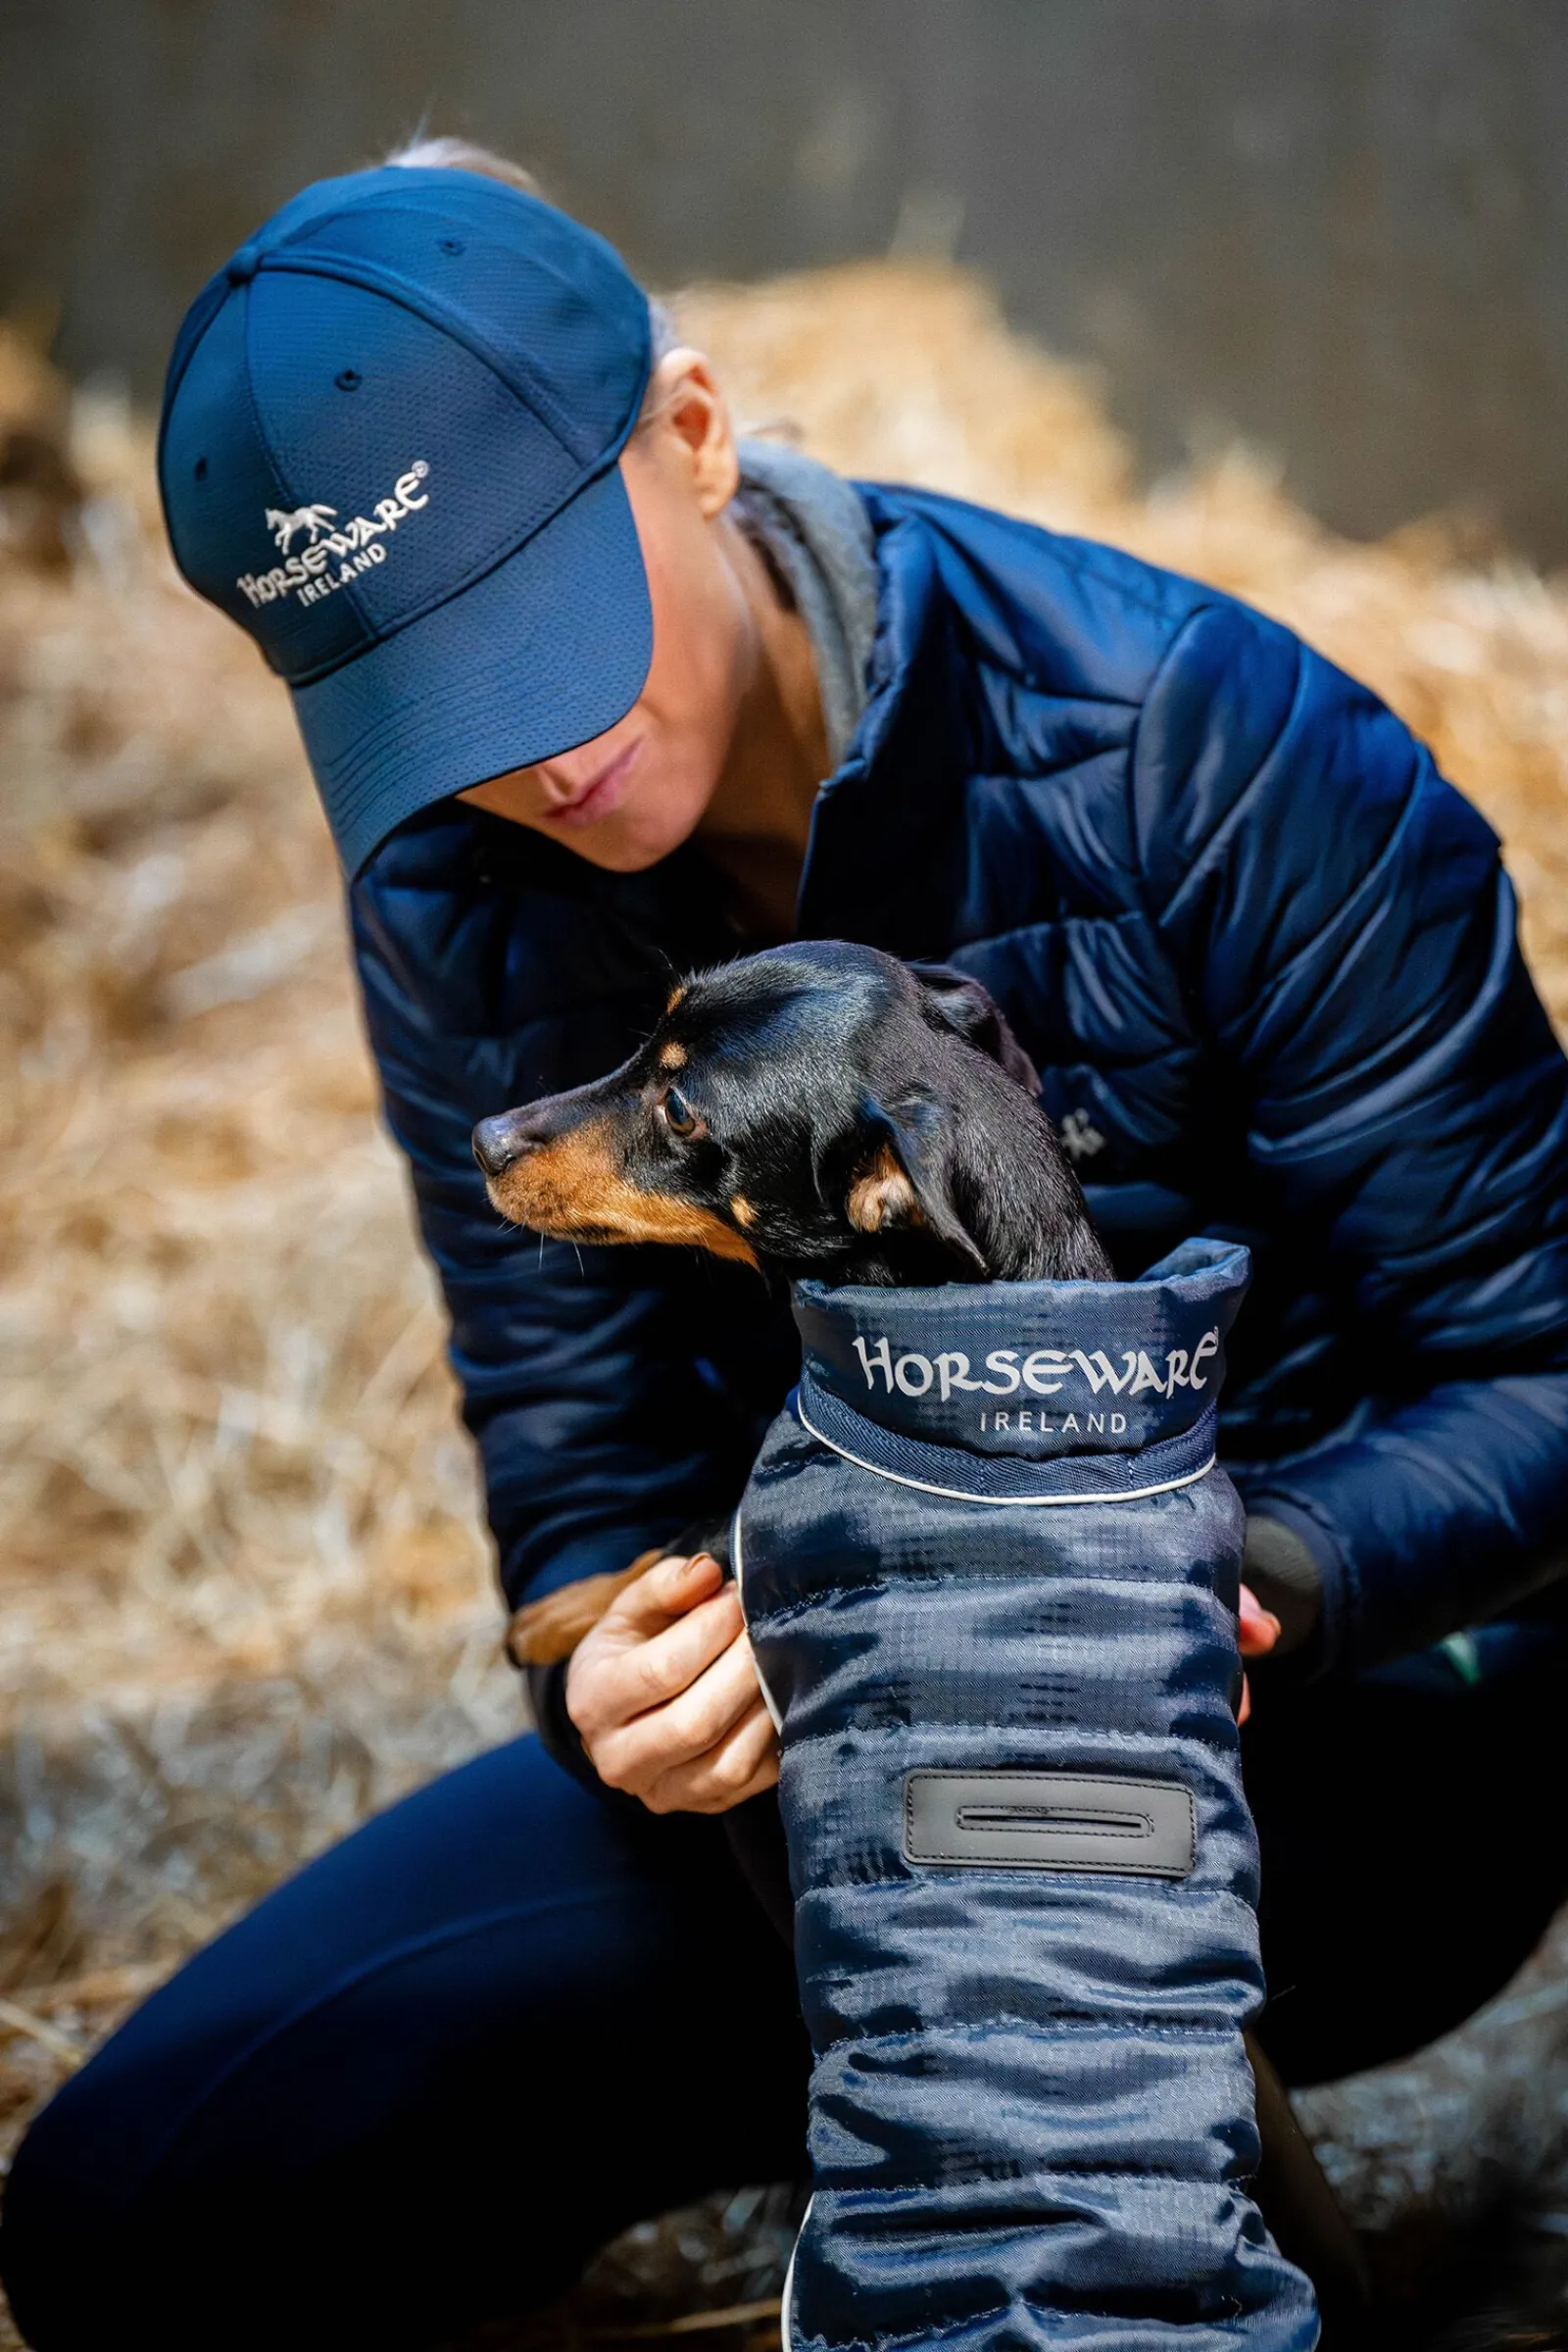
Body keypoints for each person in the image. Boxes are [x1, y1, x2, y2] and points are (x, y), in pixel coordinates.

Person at [3, 140, 1566, 2352]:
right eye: (426, 707)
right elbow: (573, 1455)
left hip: (1317, 1747)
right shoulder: (447, 884)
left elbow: (1538, 1373)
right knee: (143, 2220)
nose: (529, 756)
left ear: (700, 431)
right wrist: (609, 1679)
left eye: (536, 629)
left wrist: (1211, 1591)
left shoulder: (1203, 742)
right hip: (808, 1790)